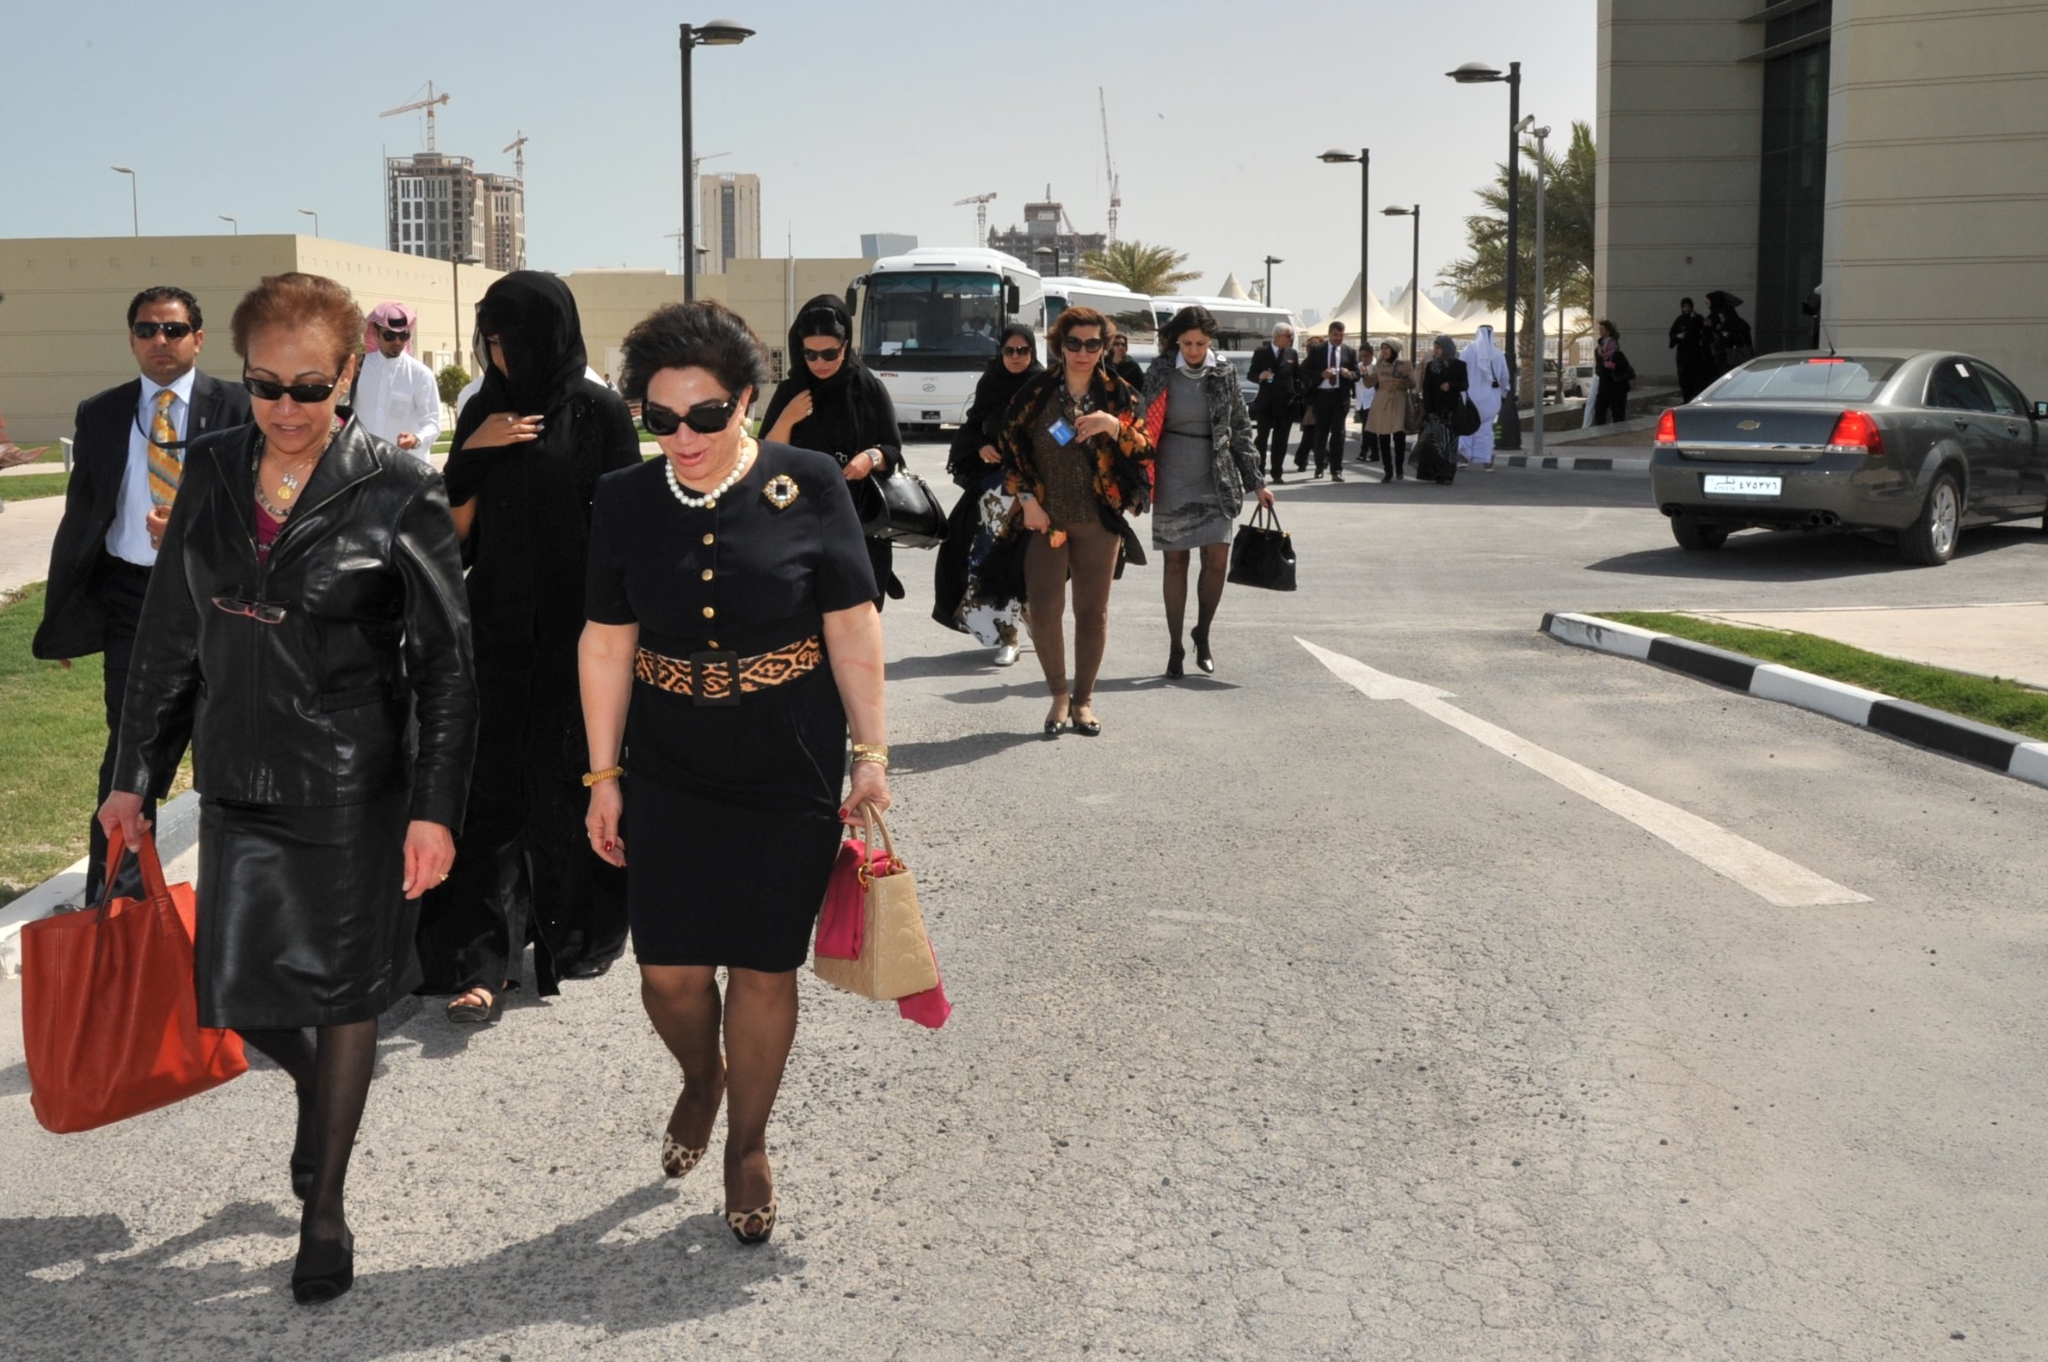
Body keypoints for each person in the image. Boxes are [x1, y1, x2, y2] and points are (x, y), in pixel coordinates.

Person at [99, 271, 476, 1304]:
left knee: (347, 990)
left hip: (354, 781)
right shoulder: (213, 471)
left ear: (349, 374)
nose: (288, 411)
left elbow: (446, 664)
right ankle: (321, 1091)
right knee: (233, 989)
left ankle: (325, 1209)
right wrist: (134, 776)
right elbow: (171, 641)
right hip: (238, 773)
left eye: (312, 388)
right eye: (267, 386)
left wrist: (435, 807)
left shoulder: (399, 488)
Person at [580, 300, 886, 1246]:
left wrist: (871, 752)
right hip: (669, 758)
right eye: (660, 419)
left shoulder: (812, 482)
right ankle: (702, 1077)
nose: (684, 437)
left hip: (784, 756)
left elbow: (850, 622)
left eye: (706, 415)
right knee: (669, 972)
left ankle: (747, 1141)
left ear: (748, 401)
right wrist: (603, 775)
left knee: (762, 964)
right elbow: (604, 642)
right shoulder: (624, 498)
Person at [415, 272, 638, 1024]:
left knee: (569, 778)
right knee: (490, 787)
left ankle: (568, 933)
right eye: (492, 341)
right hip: (500, 628)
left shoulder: (597, 409)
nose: (502, 355)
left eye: (514, 339)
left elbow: (623, 530)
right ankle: (484, 956)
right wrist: (470, 451)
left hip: (579, 634)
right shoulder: (484, 406)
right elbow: (454, 537)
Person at [33, 286, 252, 896]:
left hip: (223, 605)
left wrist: (192, 525)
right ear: (131, 338)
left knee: (233, 753)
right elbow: (82, 519)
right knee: (130, 756)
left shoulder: (240, 407)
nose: (161, 341)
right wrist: (67, 612)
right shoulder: (100, 413)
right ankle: (115, 902)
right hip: (136, 603)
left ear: (199, 339)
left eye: (174, 331)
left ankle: (237, 902)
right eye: (148, 330)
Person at [995, 305, 1154, 738]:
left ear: (1104, 347)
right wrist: (1026, 499)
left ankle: (1083, 701)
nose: (1083, 352)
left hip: (1098, 520)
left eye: (1092, 343)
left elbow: (1145, 450)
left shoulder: (1120, 395)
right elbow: (1010, 446)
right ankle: (1058, 694)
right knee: (1044, 611)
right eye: (1073, 343)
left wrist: (1112, 426)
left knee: (1092, 613)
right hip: (1045, 518)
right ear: (1059, 346)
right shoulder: (1035, 393)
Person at [1142, 305, 1273, 679]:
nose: (1195, 350)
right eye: (1188, 343)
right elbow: (1140, 422)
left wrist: (1257, 482)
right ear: (1177, 340)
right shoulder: (1161, 370)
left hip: (1216, 474)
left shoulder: (1224, 372)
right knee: (1175, 562)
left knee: (1216, 559)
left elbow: (1240, 428)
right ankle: (1175, 646)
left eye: (1201, 343)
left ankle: (1203, 634)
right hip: (1171, 472)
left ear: (1210, 340)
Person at [760, 295, 905, 607]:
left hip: (860, 520)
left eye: (830, 353)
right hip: (800, 519)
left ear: (845, 346)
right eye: (810, 354)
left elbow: (893, 448)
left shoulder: (867, 388)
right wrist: (788, 418)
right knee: (807, 611)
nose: (820, 363)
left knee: (859, 612)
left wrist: (871, 457)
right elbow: (765, 455)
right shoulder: (791, 391)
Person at [935, 322, 1038, 665]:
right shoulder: (990, 383)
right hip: (993, 491)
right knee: (985, 560)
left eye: (1023, 350)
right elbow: (973, 427)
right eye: (1010, 350)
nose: (1016, 357)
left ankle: (1024, 616)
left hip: (1034, 492)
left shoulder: (1044, 386)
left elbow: (1058, 433)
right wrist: (980, 447)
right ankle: (1006, 634)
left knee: (1021, 564)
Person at [351, 302, 440, 461]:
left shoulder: (421, 375)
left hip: (406, 468)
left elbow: (432, 423)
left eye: (403, 335)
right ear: (376, 332)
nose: (398, 342)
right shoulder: (357, 368)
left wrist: (416, 439)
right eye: (390, 335)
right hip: (365, 466)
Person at [1296, 321, 1358, 480]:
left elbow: (1357, 374)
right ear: (1329, 334)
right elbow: (1304, 370)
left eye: (1341, 335)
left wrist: (1348, 374)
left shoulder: (1349, 352)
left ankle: (1336, 470)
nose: (1338, 338)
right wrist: (1321, 374)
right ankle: (1319, 466)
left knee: (1338, 434)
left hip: (1340, 396)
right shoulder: (1318, 350)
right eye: (1335, 335)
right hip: (1321, 396)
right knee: (1320, 433)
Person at [1248, 322, 1301, 485]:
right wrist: (1260, 376)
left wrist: (1297, 395)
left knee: (1281, 440)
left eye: (1291, 336)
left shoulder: (1292, 353)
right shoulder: (1262, 352)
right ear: (1278, 337)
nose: (1291, 339)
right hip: (1266, 403)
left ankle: (1277, 472)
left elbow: (1297, 376)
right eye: (1288, 336)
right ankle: (1260, 470)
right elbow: (1251, 374)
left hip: (1286, 403)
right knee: (1262, 438)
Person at [1417, 335, 1469, 480]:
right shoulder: (1431, 366)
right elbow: (1426, 390)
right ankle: (1437, 472)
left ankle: (1448, 473)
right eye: (1435, 348)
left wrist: (1450, 385)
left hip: (1452, 410)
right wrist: (1429, 411)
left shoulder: (1459, 365)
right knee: (1436, 443)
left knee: (1450, 444)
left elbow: (1465, 385)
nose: (1435, 351)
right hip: (1436, 411)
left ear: (1446, 349)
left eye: (1437, 348)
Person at [1457, 325, 1509, 468]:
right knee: (1486, 429)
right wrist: (1505, 392)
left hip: (1471, 398)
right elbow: (1505, 376)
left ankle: (1464, 458)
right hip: (1490, 399)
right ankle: (1486, 460)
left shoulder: (1468, 351)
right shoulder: (1498, 354)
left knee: (1467, 427)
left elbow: (1460, 371)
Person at [1361, 341, 1414, 481]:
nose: (1384, 351)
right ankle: (1388, 470)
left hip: (1399, 400)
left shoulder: (1405, 364)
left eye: (1387, 348)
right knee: (1383, 437)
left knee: (1399, 436)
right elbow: (1369, 384)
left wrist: (1404, 378)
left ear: (1394, 349)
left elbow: (1413, 384)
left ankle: (1399, 467)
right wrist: (1365, 375)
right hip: (1382, 401)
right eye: (1382, 348)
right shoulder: (1379, 364)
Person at [1668, 297, 1712, 402]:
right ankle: (1686, 397)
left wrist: (1694, 320)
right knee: (1683, 375)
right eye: (1684, 307)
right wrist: (1678, 336)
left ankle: (1693, 396)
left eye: (1688, 306)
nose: (1686, 309)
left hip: (1695, 351)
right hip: (1682, 352)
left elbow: (1702, 331)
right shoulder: (1680, 319)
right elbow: (1673, 333)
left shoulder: (1698, 318)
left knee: (1694, 374)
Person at [1705, 290, 1754, 383]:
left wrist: (1727, 335)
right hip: (1727, 357)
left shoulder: (1738, 324)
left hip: (1733, 356)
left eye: (1722, 317)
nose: (1721, 319)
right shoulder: (1722, 323)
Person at [1592, 320, 1633, 425]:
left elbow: (1625, 367)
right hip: (1604, 386)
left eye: (1602, 329)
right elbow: (1598, 367)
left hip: (1617, 387)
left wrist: (1613, 366)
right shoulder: (1598, 350)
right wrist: (1603, 367)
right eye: (1599, 329)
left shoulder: (1617, 353)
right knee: (1599, 411)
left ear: (1608, 331)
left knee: (1618, 414)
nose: (1600, 331)